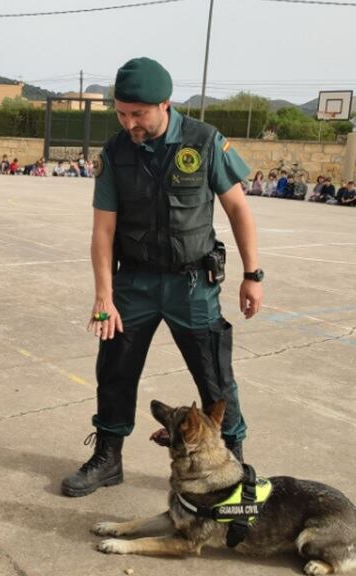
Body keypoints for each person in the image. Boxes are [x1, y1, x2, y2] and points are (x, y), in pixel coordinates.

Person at [61, 57, 262, 498]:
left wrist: (253, 274)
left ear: (165, 105)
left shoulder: (204, 141)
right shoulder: (115, 152)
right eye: (121, 113)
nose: (129, 123)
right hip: (132, 283)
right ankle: (109, 457)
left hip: (192, 284)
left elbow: (238, 208)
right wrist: (103, 296)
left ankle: (234, 464)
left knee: (215, 377)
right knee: (114, 369)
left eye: (138, 114)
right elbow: (103, 228)